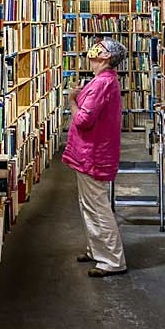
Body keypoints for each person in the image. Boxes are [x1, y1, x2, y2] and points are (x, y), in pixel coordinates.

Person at [62, 37, 127, 278]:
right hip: (90, 153)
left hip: (93, 154)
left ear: (107, 56)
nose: (92, 51)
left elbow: (83, 120)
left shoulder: (102, 83)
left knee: (97, 207)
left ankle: (112, 259)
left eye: (99, 48)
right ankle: (96, 249)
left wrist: (71, 101)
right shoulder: (103, 81)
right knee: (89, 205)